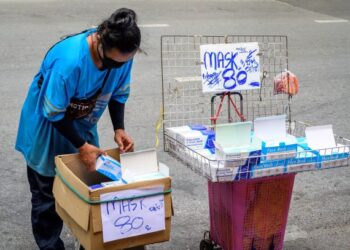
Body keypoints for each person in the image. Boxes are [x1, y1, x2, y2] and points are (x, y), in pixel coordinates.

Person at [15, 8, 140, 250]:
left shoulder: (123, 55)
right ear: (101, 44)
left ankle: (88, 243)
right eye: (112, 62)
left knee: (87, 189)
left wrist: (119, 128)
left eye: (123, 62)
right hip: (47, 127)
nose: (117, 68)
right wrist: (82, 146)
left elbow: (118, 93)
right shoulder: (70, 61)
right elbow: (53, 111)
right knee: (47, 198)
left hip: (82, 126)